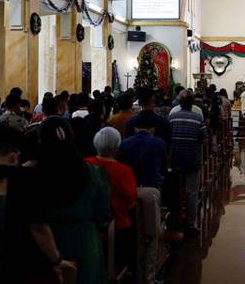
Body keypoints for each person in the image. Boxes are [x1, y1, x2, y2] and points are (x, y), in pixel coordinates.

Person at [0, 125, 75, 282]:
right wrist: (56, 260)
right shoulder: (24, 178)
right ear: (15, 156)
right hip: (11, 268)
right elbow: (38, 227)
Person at [37, 117, 111, 284]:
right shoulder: (94, 173)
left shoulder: (32, 175)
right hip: (85, 240)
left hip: (47, 243)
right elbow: (103, 213)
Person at [85, 127, 137, 269]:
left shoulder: (85, 165)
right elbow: (131, 203)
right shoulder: (123, 171)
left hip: (89, 226)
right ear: (117, 146)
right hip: (117, 227)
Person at [168, 90, 208, 234]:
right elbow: (204, 139)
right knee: (191, 193)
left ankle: (175, 223)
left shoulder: (172, 117)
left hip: (175, 159)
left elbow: (168, 137)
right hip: (192, 158)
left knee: (175, 191)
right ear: (192, 103)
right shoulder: (197, 118)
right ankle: (191, 225)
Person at [119, 113, 168, 190]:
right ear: (153, 129)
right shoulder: (160, 143)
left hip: (131, 185)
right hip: (152, 186)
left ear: (135, 128)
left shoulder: (124, 143)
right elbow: (163, 167)